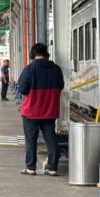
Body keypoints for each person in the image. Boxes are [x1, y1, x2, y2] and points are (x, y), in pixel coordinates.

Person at [16, 43, 64, 176]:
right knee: (51, 138)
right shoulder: (56, 69)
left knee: (31, 140)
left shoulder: (29, 69)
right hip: (50, 110)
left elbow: (22, 89)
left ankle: (31, 168)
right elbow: (61, 86)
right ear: (46, 54)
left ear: (32, 54)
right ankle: (53, 168)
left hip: (31, 111)